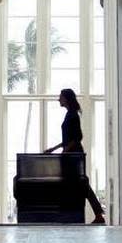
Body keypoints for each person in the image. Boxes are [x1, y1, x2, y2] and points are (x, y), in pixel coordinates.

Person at [42, 88, 105, 224]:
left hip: (74, 156)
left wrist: (66, 151)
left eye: (60, 97)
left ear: (66, 98)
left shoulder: (73, 115)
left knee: (81, 183)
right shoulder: (69, 114)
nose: (59, 99)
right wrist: (54, 149)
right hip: (71, 154)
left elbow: (77, 137)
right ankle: (95, 213)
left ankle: (97, 214)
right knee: (79, 183)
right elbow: (67, 139)